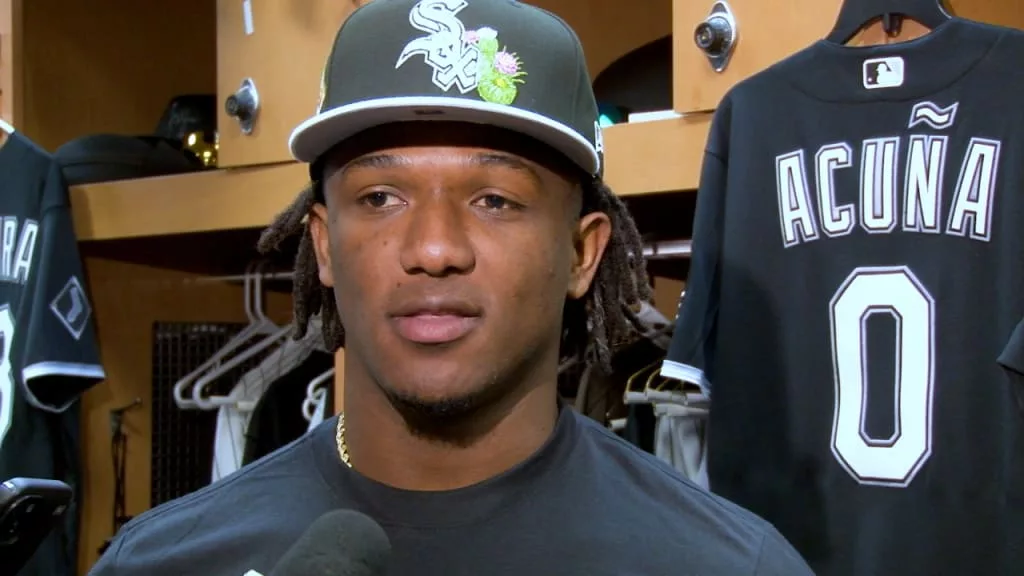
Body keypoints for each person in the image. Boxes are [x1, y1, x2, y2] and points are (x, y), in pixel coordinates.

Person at [89, 0, 813, 574]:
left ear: (582, 253)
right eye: (380, 198)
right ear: (324, 246)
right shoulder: (163, 562)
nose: (433, 250)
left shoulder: (723, 564)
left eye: (495, 199)